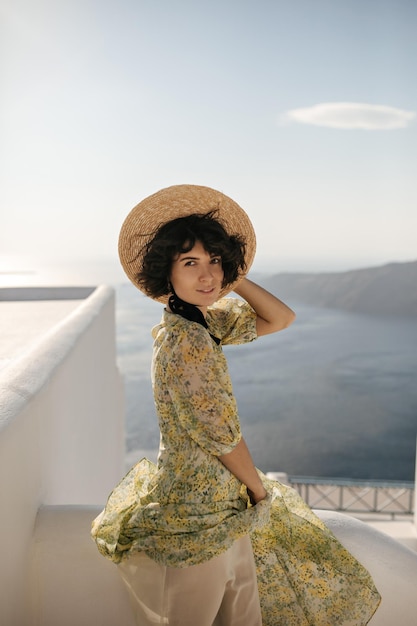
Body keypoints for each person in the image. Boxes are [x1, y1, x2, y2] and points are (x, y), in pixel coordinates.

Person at [92, 185, 381, 625]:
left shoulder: (203, 323)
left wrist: (235, 275)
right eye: (190, 263)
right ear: (164, 272)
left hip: (226, 508)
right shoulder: (185, 344)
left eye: (215, 262)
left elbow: (281, 318)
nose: (207, 275)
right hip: (198, 517)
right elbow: (222, 438)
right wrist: (260, 493)